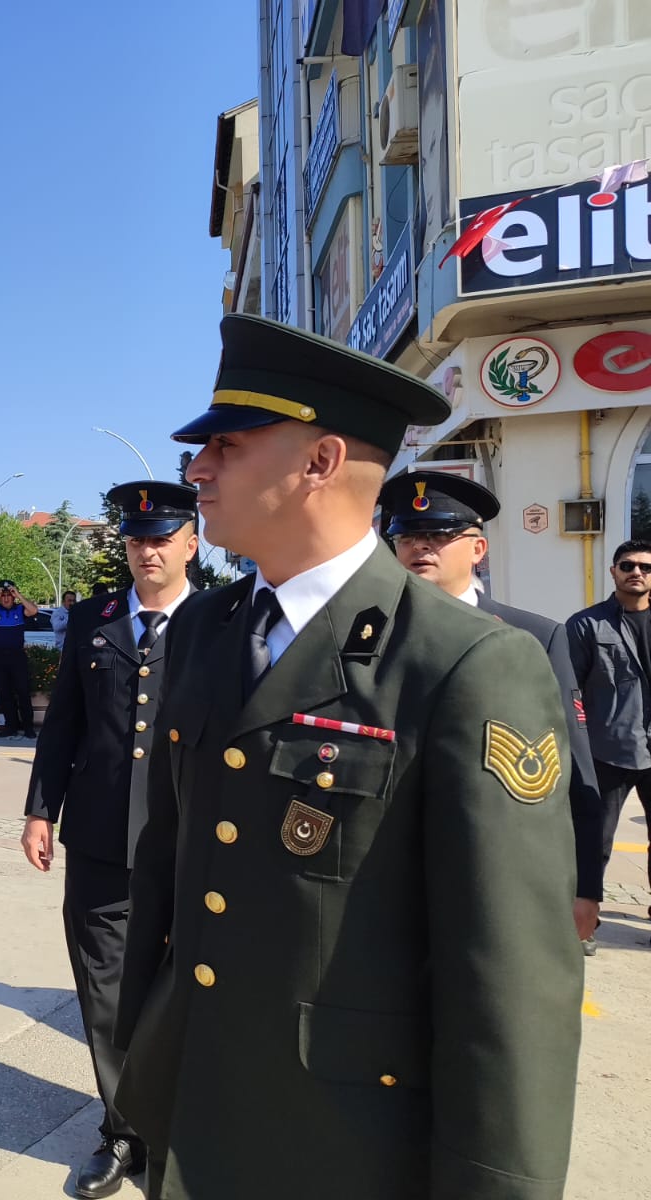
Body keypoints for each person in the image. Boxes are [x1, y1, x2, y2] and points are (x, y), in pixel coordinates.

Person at [115, 315, 582, 1200]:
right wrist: (144, 1062)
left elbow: (511, 982)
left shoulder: (463, 663)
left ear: (321, 462)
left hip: (346, 1143)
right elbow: (168, 877)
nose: (197, 469)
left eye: (226, 445)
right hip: (198, 1104)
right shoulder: (210, 631)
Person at [22, 480, 197, 1198]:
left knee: (182, 990)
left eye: (160, 539)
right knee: (104, 994)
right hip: (98, 838)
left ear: (192, 542)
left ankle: (181, 1129)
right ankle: (124, 1134)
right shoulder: (93, 617)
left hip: (188, 840)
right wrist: (41, 810)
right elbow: (63, 721)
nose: (146, 551)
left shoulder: (222, 620)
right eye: (134, 540)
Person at [381, 470, 604, 953]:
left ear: (478, 550)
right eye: (407, 536)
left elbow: (573, 767)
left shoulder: (534, 637)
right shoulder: (366, 637)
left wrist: (585, 885)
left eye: (439, 535)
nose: (421, 547)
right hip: (383, 877)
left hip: (494, 873)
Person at [567, 538, 651, 916]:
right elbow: (568, 689)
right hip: (606, 751)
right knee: (594, 839)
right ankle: (587, 917)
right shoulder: (587, 625)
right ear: (613, 571)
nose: (637, 572)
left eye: (645, 567)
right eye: (628, 565)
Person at [0, 579, 39, 738]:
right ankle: (10, 726)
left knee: (22, 692)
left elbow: (33, 610)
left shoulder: (20, 609)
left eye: (9, 595)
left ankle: (28, 727)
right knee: (4, 693)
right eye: (3, 595)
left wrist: (18, 594)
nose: (6, 598)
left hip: (16, 656)